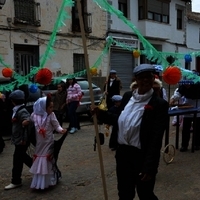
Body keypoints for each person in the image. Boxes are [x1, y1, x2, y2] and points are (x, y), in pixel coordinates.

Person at [93, 64, 169, 200]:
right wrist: (102, 115)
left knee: (145, 194)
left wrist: (150, 166)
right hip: (123, 154)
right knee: (124, 193)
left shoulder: (159, 104)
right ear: (136, 80)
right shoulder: (128, 97)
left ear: (153, 79)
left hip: (143, 156)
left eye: (149, 77)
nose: (145, 80)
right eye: (141, 78)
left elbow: (156, 138)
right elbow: (120, 120)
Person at [29, 96, 67, 190]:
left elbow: (56, 125)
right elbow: (30, 121)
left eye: (52, 107)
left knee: (47, 159)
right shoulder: (35, 115)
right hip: (40, 143)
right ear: (43, 107)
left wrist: (61, 130)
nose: (52, 109)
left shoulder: (51, 115)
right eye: (50, 107)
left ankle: (49, 180)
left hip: (48, 141)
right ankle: (39, 181)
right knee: (39, 157)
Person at [4, 90, 32, 190]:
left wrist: (25, 122)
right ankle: (38, 170)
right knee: (22, 157)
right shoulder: (17, 109)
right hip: (19, 139)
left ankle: (16, 181)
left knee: (17, 159)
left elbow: (27, 120)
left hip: (22, 140)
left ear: (13, 101)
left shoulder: (21, 110)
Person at [170, 83, 200, 152]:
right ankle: (184, 145)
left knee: (198, 127)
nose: (187, 85)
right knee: (186, 127)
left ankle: (197, 144)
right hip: (187, 105)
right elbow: (178, 93)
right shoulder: (183, 86)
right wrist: (173, 98)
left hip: (198, 104)